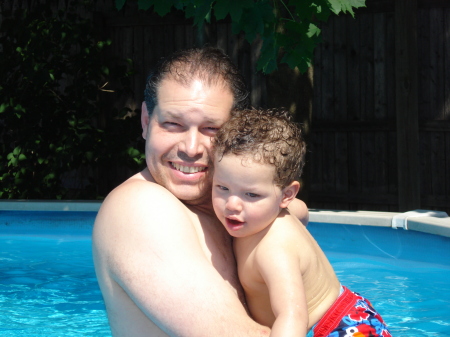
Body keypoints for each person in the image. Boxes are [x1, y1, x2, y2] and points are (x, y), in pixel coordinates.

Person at [92, 47, 309, 337]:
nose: (190, 148)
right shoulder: (140, 208)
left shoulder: (226, 209)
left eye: (211, 128)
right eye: (172, 124)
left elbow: (299, 211)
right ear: (146, 121)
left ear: (237, 133)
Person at [211, 108, 392, 337]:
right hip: (350, 314)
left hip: (339, 329)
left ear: (286, 194)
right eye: (223, 188)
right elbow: (302, 211)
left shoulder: (272, 250)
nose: (232, 204)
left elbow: (292, 315)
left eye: (251, 195)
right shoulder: (281, 211)